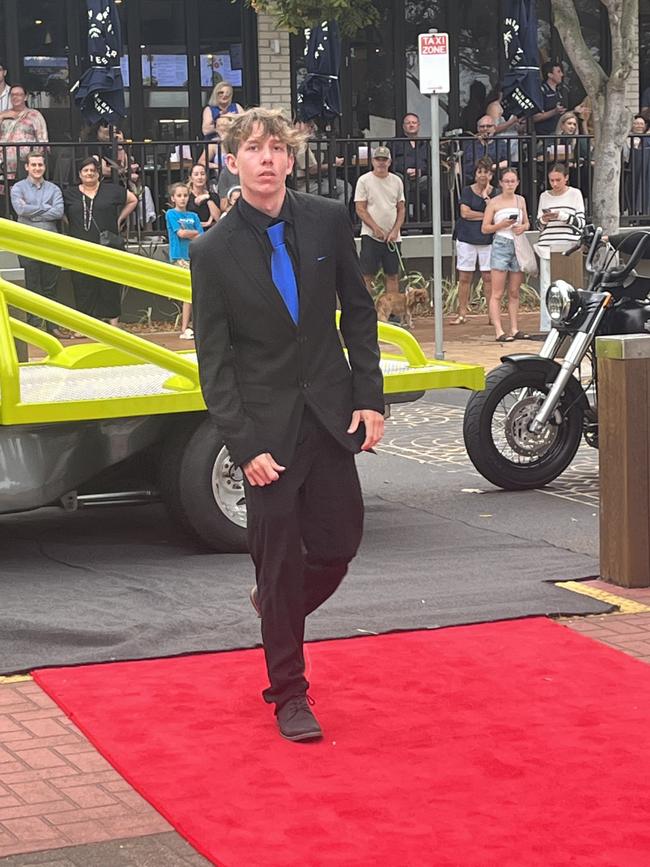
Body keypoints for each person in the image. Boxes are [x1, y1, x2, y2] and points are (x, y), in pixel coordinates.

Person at [191, 107, 384, 742]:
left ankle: (274, 609)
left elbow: (357, 313)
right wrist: (241, 444)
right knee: (276, 566)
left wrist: (369, 398)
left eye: (276, 148)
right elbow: (214, 362)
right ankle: (290, 692)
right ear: (232, 161)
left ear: (290, 159)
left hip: (330, 417)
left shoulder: (328, 219)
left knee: (337, 547)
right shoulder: (212, 251)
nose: (266, 158)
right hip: (266, 432)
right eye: (253, 149)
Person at [63, 157, 138, 325]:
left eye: (93, 170)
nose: (89, 173)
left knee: (109, 283)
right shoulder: (70, 194)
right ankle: (85, 325)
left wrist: (119, 220)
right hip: (80, 246)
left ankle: (113, 324)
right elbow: (61, 212)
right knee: (82, 285)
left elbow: (133, 199)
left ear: (98, 173)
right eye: (85, 171)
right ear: (80, 174)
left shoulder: (111, 190)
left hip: (107, 245)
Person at [10, 152, 66, 338]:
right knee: (32, 285)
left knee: (51, 286)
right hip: (26, 243)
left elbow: (58, 212)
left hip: (51, 243)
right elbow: (19, 209)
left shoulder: (54, 189)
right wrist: (45, 209)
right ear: (27, 167)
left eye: (40, 165)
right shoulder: (18, 188)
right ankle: (35, 326)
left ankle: (52, 326)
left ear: (44, 167)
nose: (37, 168)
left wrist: (31, 212)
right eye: (33, 165)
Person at [481, 166, 531, 342]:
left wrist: (522, 227)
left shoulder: (521, 200)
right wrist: (500, 225)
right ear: (501, 183)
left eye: (513, 181)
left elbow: (527, 223)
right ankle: (499, 330)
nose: (510, 184)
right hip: (501, 243)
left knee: (514, 290)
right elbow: (485, 228)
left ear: (517, 183)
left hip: (517, 243)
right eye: (507, 181)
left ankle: (514, 328)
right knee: (497, 292)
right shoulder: (494, 202)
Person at [354, 145, 406, 300]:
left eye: (384, 159)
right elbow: (360, 208)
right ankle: (366, 310)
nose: (381, 163)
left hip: (392, 237)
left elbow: (401, 209)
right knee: (366, 275)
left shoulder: (397, 181)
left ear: (389, 162)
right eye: (378, 159)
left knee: (392, 275)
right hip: (371, 236)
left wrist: (396, 230)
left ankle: (393, 312)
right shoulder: (364, 180)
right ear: (372, 161)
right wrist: (375, 228)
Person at [453, 156, 496, 324]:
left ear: (491, 175)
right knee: (465, 277)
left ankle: (492, 315)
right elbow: (465, 213)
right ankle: (462, 313)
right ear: (475, 174)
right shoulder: (466, 191)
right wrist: (486, 216)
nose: (482, 175)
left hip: (487, 240)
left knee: (488, 277)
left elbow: (495, 214)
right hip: (466, 238)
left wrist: (486, 197)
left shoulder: (496, 193)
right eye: (479, 172)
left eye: (486, 172)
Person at [165, 181, 204, 339]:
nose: (182, 199)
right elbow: (180, 233)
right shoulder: (171, 214)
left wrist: (191, 233)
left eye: (185, 195)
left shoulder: (193, 216)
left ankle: (194, 326)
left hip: (193, 255)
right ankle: (184, 327)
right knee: (188, 292)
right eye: (179, 196)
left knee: (195, 292)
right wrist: (193, 233)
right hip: (179, 256)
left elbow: (201, 235)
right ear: (173, 198)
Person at [0, 84, 48, 181]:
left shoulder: (34, 115)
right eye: (12, 95)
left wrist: (36, 159)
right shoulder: (3, 114)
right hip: (3, 161)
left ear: (25, 97)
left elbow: (43, 140)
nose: (15, 97)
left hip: (26, 161)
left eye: (19, 94)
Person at [536, 162, 586, 250]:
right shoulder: (544, 196)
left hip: (569, 244)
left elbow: (581, 223)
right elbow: (538, 226)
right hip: (546, 245)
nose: (555, 184)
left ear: (566, 178)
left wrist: (562, 216)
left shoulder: (575, 193)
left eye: (558, 180)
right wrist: (544, 219)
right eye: (552, 180)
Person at [391, 113, 430, 220]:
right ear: (403, 126)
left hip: (421, 178)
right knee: (400, 181)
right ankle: (404, 222)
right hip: (402, 177)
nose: (411, 125)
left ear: (418, 125)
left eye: (414, 122)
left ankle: (429, 221)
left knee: (432, 183)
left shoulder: (425, 144)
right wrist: (405, 170)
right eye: (408, 123)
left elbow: (431, 164)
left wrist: (420, 171)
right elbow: (390, 163)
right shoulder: (395, 143)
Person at [462, 116, 509, 184]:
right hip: (470, 181)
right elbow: (460, 162)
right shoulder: (469, 144)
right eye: (482, 126)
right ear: (478, 129)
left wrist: (491, 167)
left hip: (493, 182)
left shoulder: (500, 143)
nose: (485, 129)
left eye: (489, 126)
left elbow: (507, 162)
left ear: (494, 128)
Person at [623, 115, 650, 217]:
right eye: (636, 123)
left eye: (641, 124)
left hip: (644, 172)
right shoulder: (626, 139)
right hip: (628, 170)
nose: (639, 126)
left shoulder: (647, 139)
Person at [533, 62, 567, 137]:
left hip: (559, 134)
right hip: (544, 135)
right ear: (550, 75)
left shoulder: (562, 90)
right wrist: (554, 111)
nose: (562, 75)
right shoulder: (540, 91)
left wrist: (575, 111)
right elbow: (534, 117)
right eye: (558, 72)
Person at [187, 163, 220, 229]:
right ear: (190, 178)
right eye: (196, 174)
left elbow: (218, 218)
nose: (200, 177)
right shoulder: (186, 196)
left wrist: (208, 198)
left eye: (202, 174)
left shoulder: (213, 196)